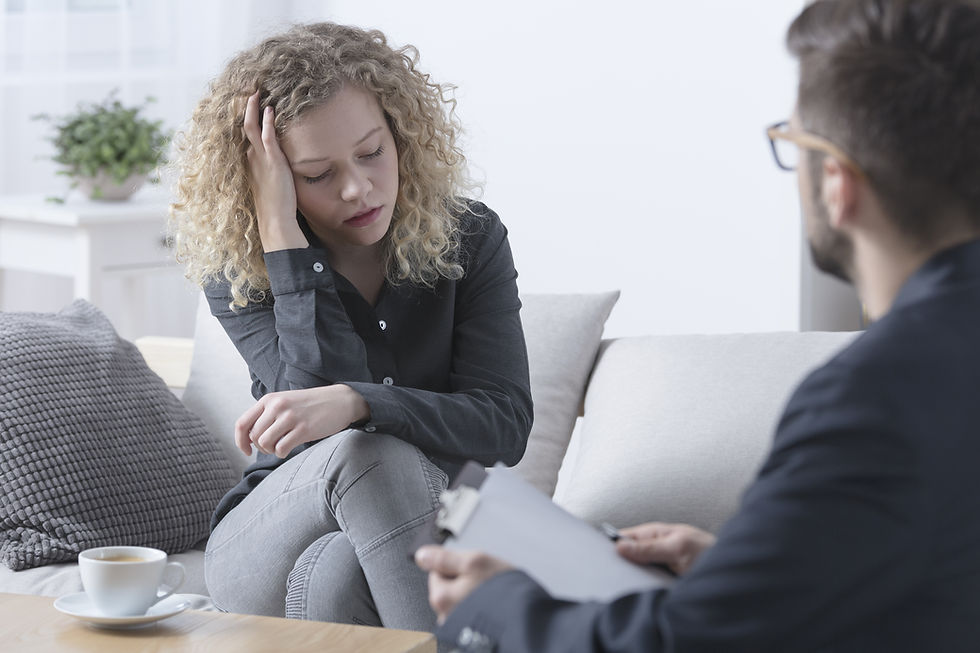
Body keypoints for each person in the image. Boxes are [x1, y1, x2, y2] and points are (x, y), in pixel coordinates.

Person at [415, 0, 980, 649]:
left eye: (792, 144)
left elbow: (682, 645)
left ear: (837, 182)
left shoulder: (873, 398)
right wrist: (735, 571)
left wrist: (497, 603)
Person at [168, 22, 533, 631]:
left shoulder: (471, 237)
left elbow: (504, 425)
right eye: (316, 175)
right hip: (269, 540)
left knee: (340, 572)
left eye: (371, 153)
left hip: (437, 526)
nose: (358, 189)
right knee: (366, 452)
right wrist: (282, 237)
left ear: (401, 135)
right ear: (270, 180)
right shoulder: (241, 271)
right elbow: (319, 439)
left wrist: (360, 402)